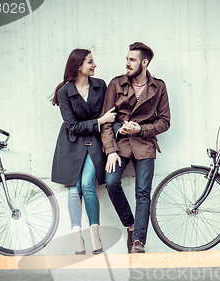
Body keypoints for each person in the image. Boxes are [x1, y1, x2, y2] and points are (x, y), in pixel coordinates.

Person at [100, 42, 170, 253]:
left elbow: (165, 121)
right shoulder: (116, 84)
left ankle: (138, 241)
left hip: (145, 144)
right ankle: (131, 224)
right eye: (127, 59)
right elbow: (105, 122)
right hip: (120, 143)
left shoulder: (159, 86)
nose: (127, 63)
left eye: (132, 60)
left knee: (143, 192)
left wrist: (141, 128)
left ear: (145, 63)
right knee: (111, 182)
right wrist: (111, 150)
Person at [51, 49, 116, 254]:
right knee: (73, 188)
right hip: (71, 144)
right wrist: (99, 121)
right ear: (79, 65)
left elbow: (109, 114)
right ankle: (78, 239)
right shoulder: (64, 92)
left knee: (88, 184)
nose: (94, 65)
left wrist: (105, 124)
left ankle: (94, 236)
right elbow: (72, 126)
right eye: (90, 62)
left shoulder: (100, 85)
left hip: (94, 142)